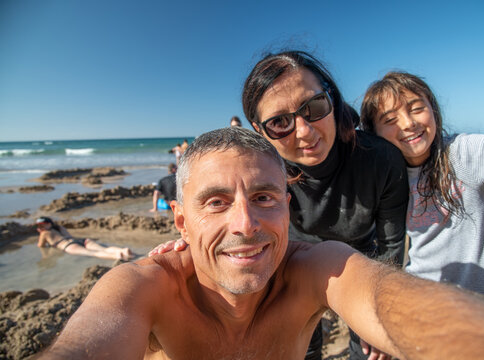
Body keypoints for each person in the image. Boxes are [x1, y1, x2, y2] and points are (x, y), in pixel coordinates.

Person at [40, 127, 484, 360]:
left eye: (263, 197)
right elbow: (88, 346)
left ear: (287, 205)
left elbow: (391, 302)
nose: (246, 223)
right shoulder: (147, 285)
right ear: (181, 222)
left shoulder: (314, 270)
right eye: (215, 203)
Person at [152, 50, 409, 360]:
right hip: (291, 264)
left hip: (360, 259)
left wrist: (384, 310)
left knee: (370, 348)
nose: (304, 131)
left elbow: (392, 243)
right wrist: (189, 244)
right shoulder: (261, 175)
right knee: (302, 347)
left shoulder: (380, 159)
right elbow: (228, 221)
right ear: (259, 129)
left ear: (332, 98)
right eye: (279, 122)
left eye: (314, 107)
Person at [360, 72, 484, 306]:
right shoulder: (386, 176)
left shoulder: (463, 153)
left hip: (483, 308)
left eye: (416, 108)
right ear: (374, 133)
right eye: (390, 119)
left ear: (433, 110)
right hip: (422, 299)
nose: (408, 123)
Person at [36, 217, 134, 261]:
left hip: (69, 246)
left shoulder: (44, 233)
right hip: (80, 240)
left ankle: (117, 256)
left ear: (49, 224)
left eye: (42, 225)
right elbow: (68, 235)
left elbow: (41, 246)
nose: (40, 227)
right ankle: (123, 250)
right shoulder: (60, 228)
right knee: (104, 248)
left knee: (94, 253)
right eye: (39, 226)